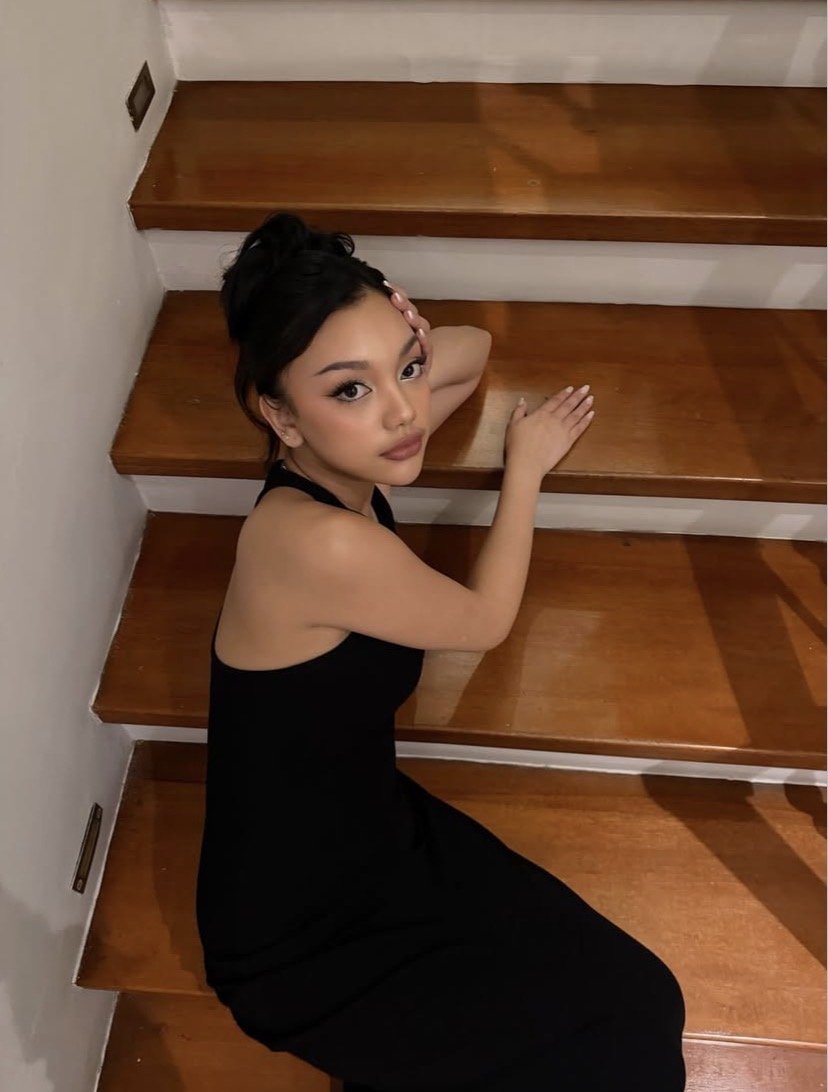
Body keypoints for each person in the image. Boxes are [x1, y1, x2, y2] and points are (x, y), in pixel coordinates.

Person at [195, 210, 687, 1091]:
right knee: (620, 1036)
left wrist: (401, 334)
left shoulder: (336, 468)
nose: (402, 412)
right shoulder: (317, 544)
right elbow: (486, 620)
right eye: (349, 390)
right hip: (297, 924)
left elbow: (475, 349)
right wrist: (524, 468)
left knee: (638, 1006)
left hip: (369, 828)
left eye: (405, 371)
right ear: (278, 412)